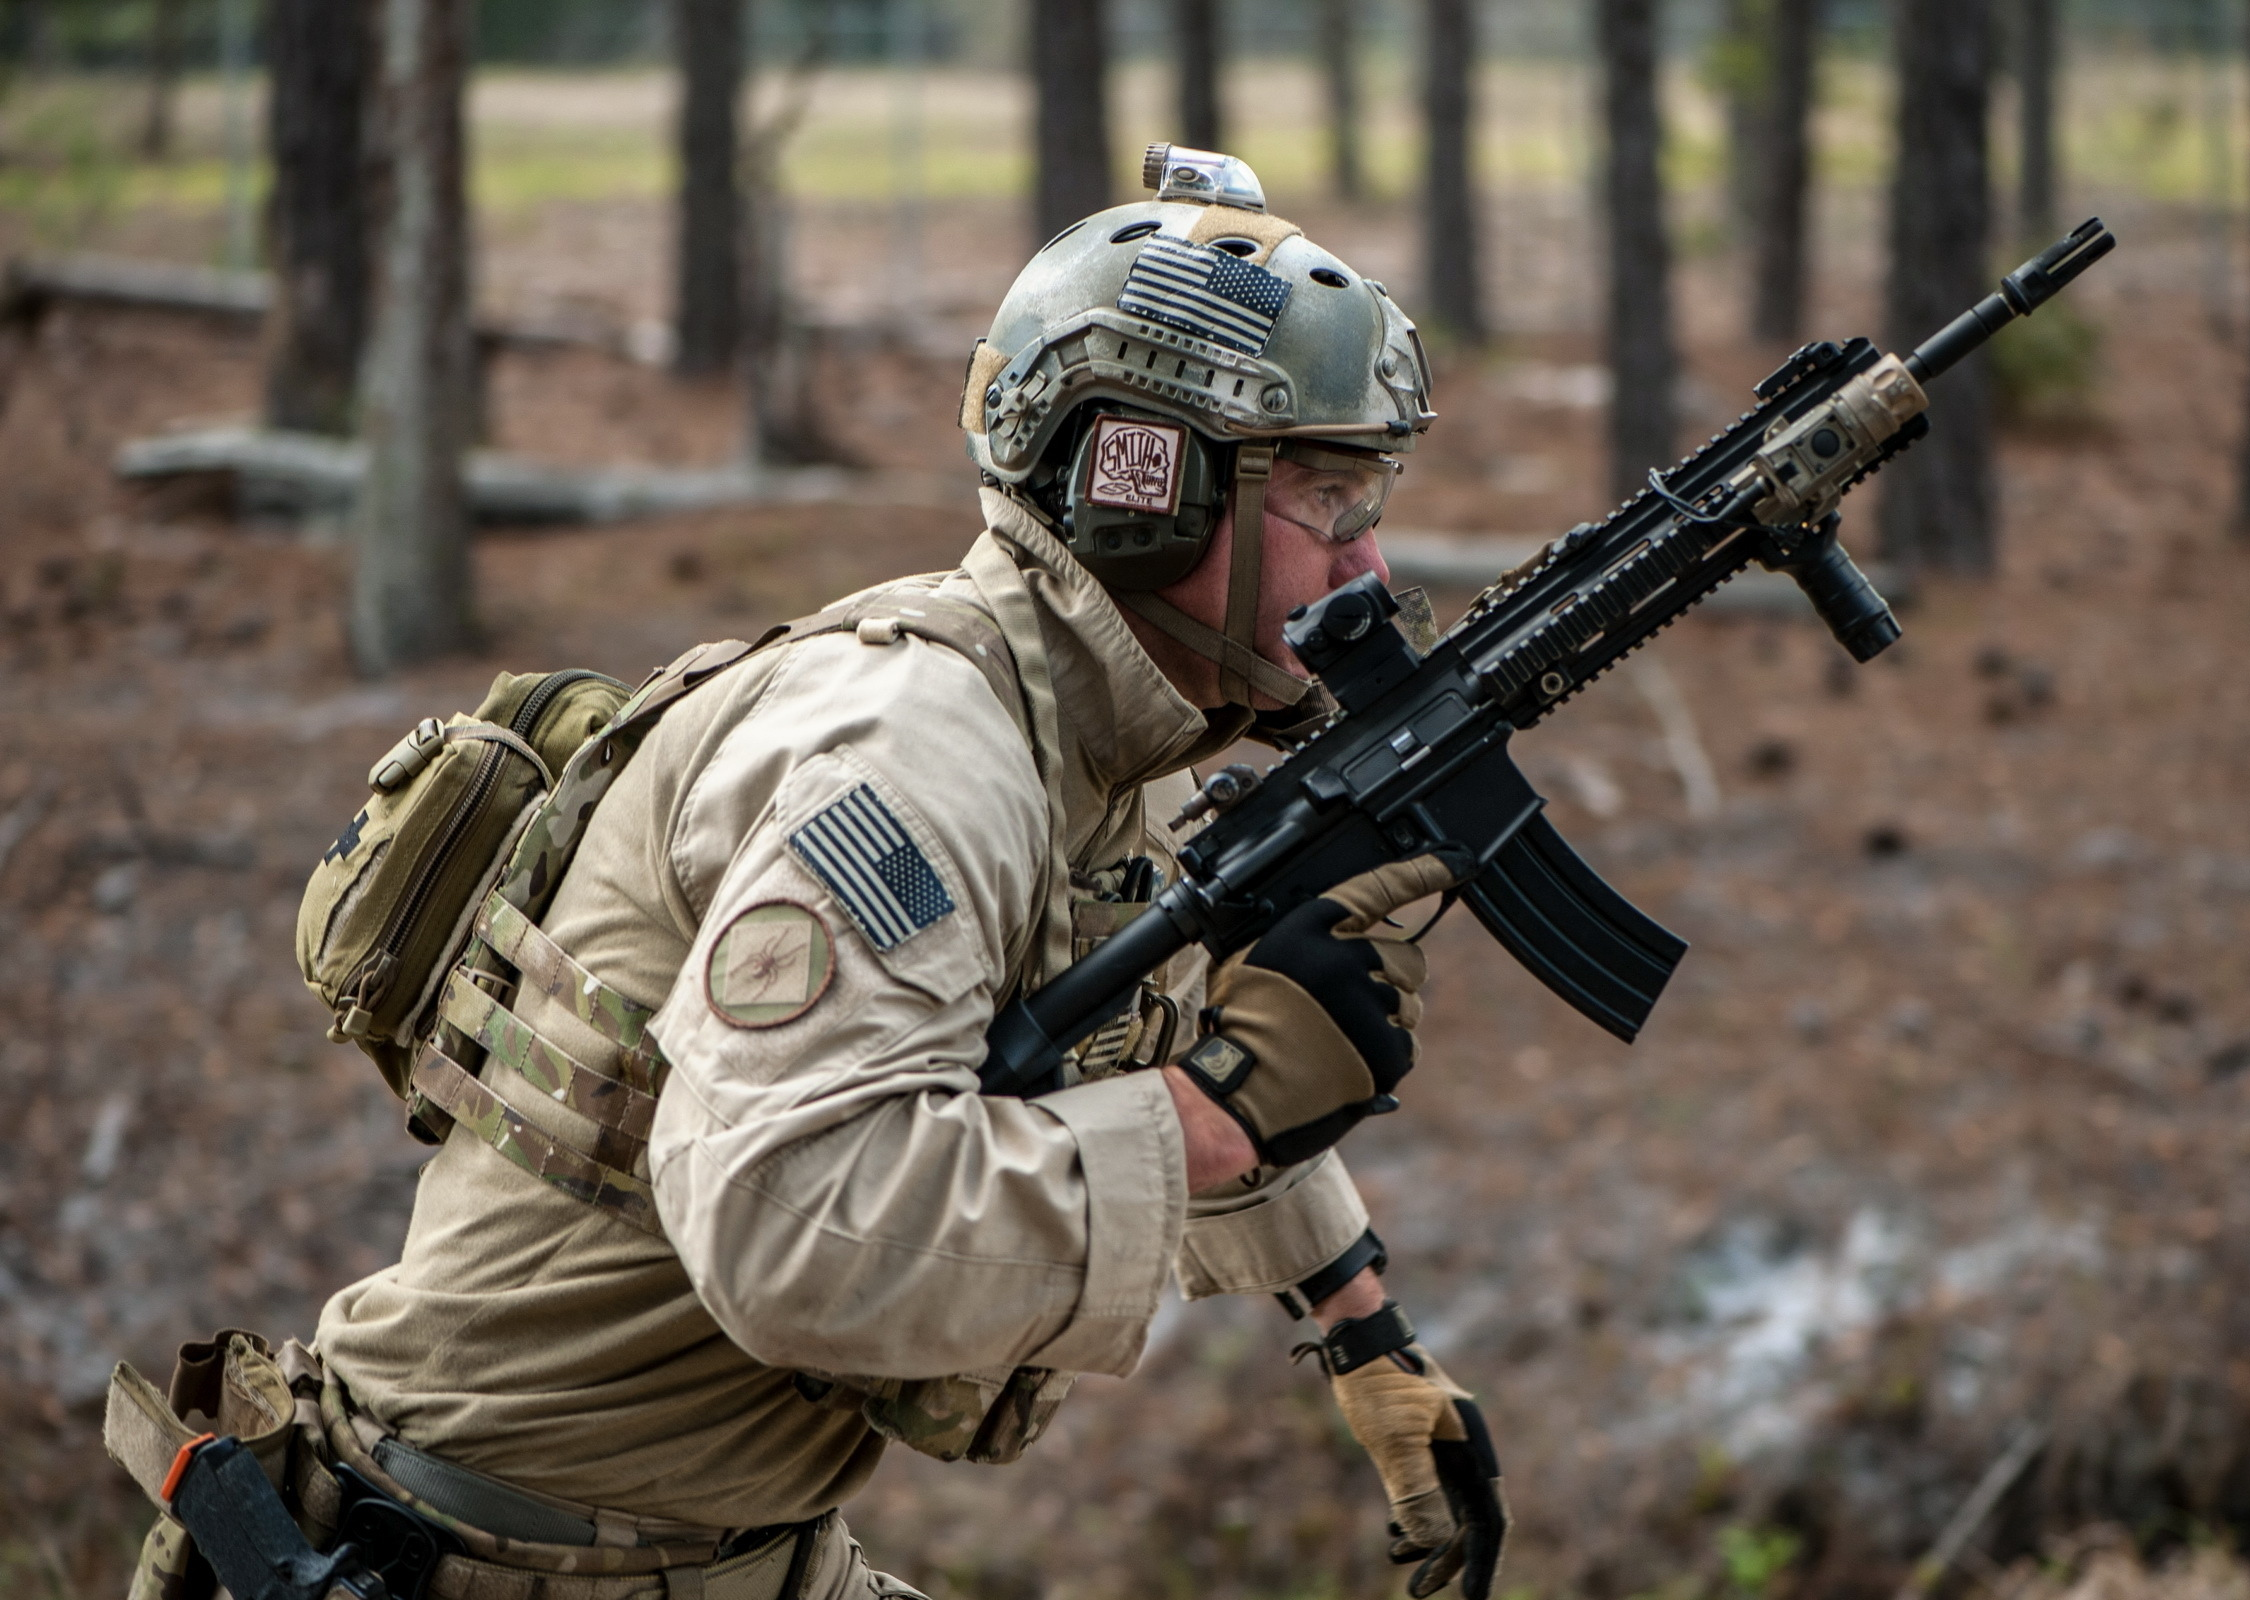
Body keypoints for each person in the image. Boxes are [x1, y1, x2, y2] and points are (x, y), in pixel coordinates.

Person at [111, 147, 1504, 1600]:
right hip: (490, 1557)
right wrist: (1212, 1120)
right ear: (1138, 490)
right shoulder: (916, 757)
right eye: (1331, 502)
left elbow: (1140, 1025)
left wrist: (1363, 1330)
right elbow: (790, 1229)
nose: (1368, 562)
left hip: (722, 1552)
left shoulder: (1098, 735)